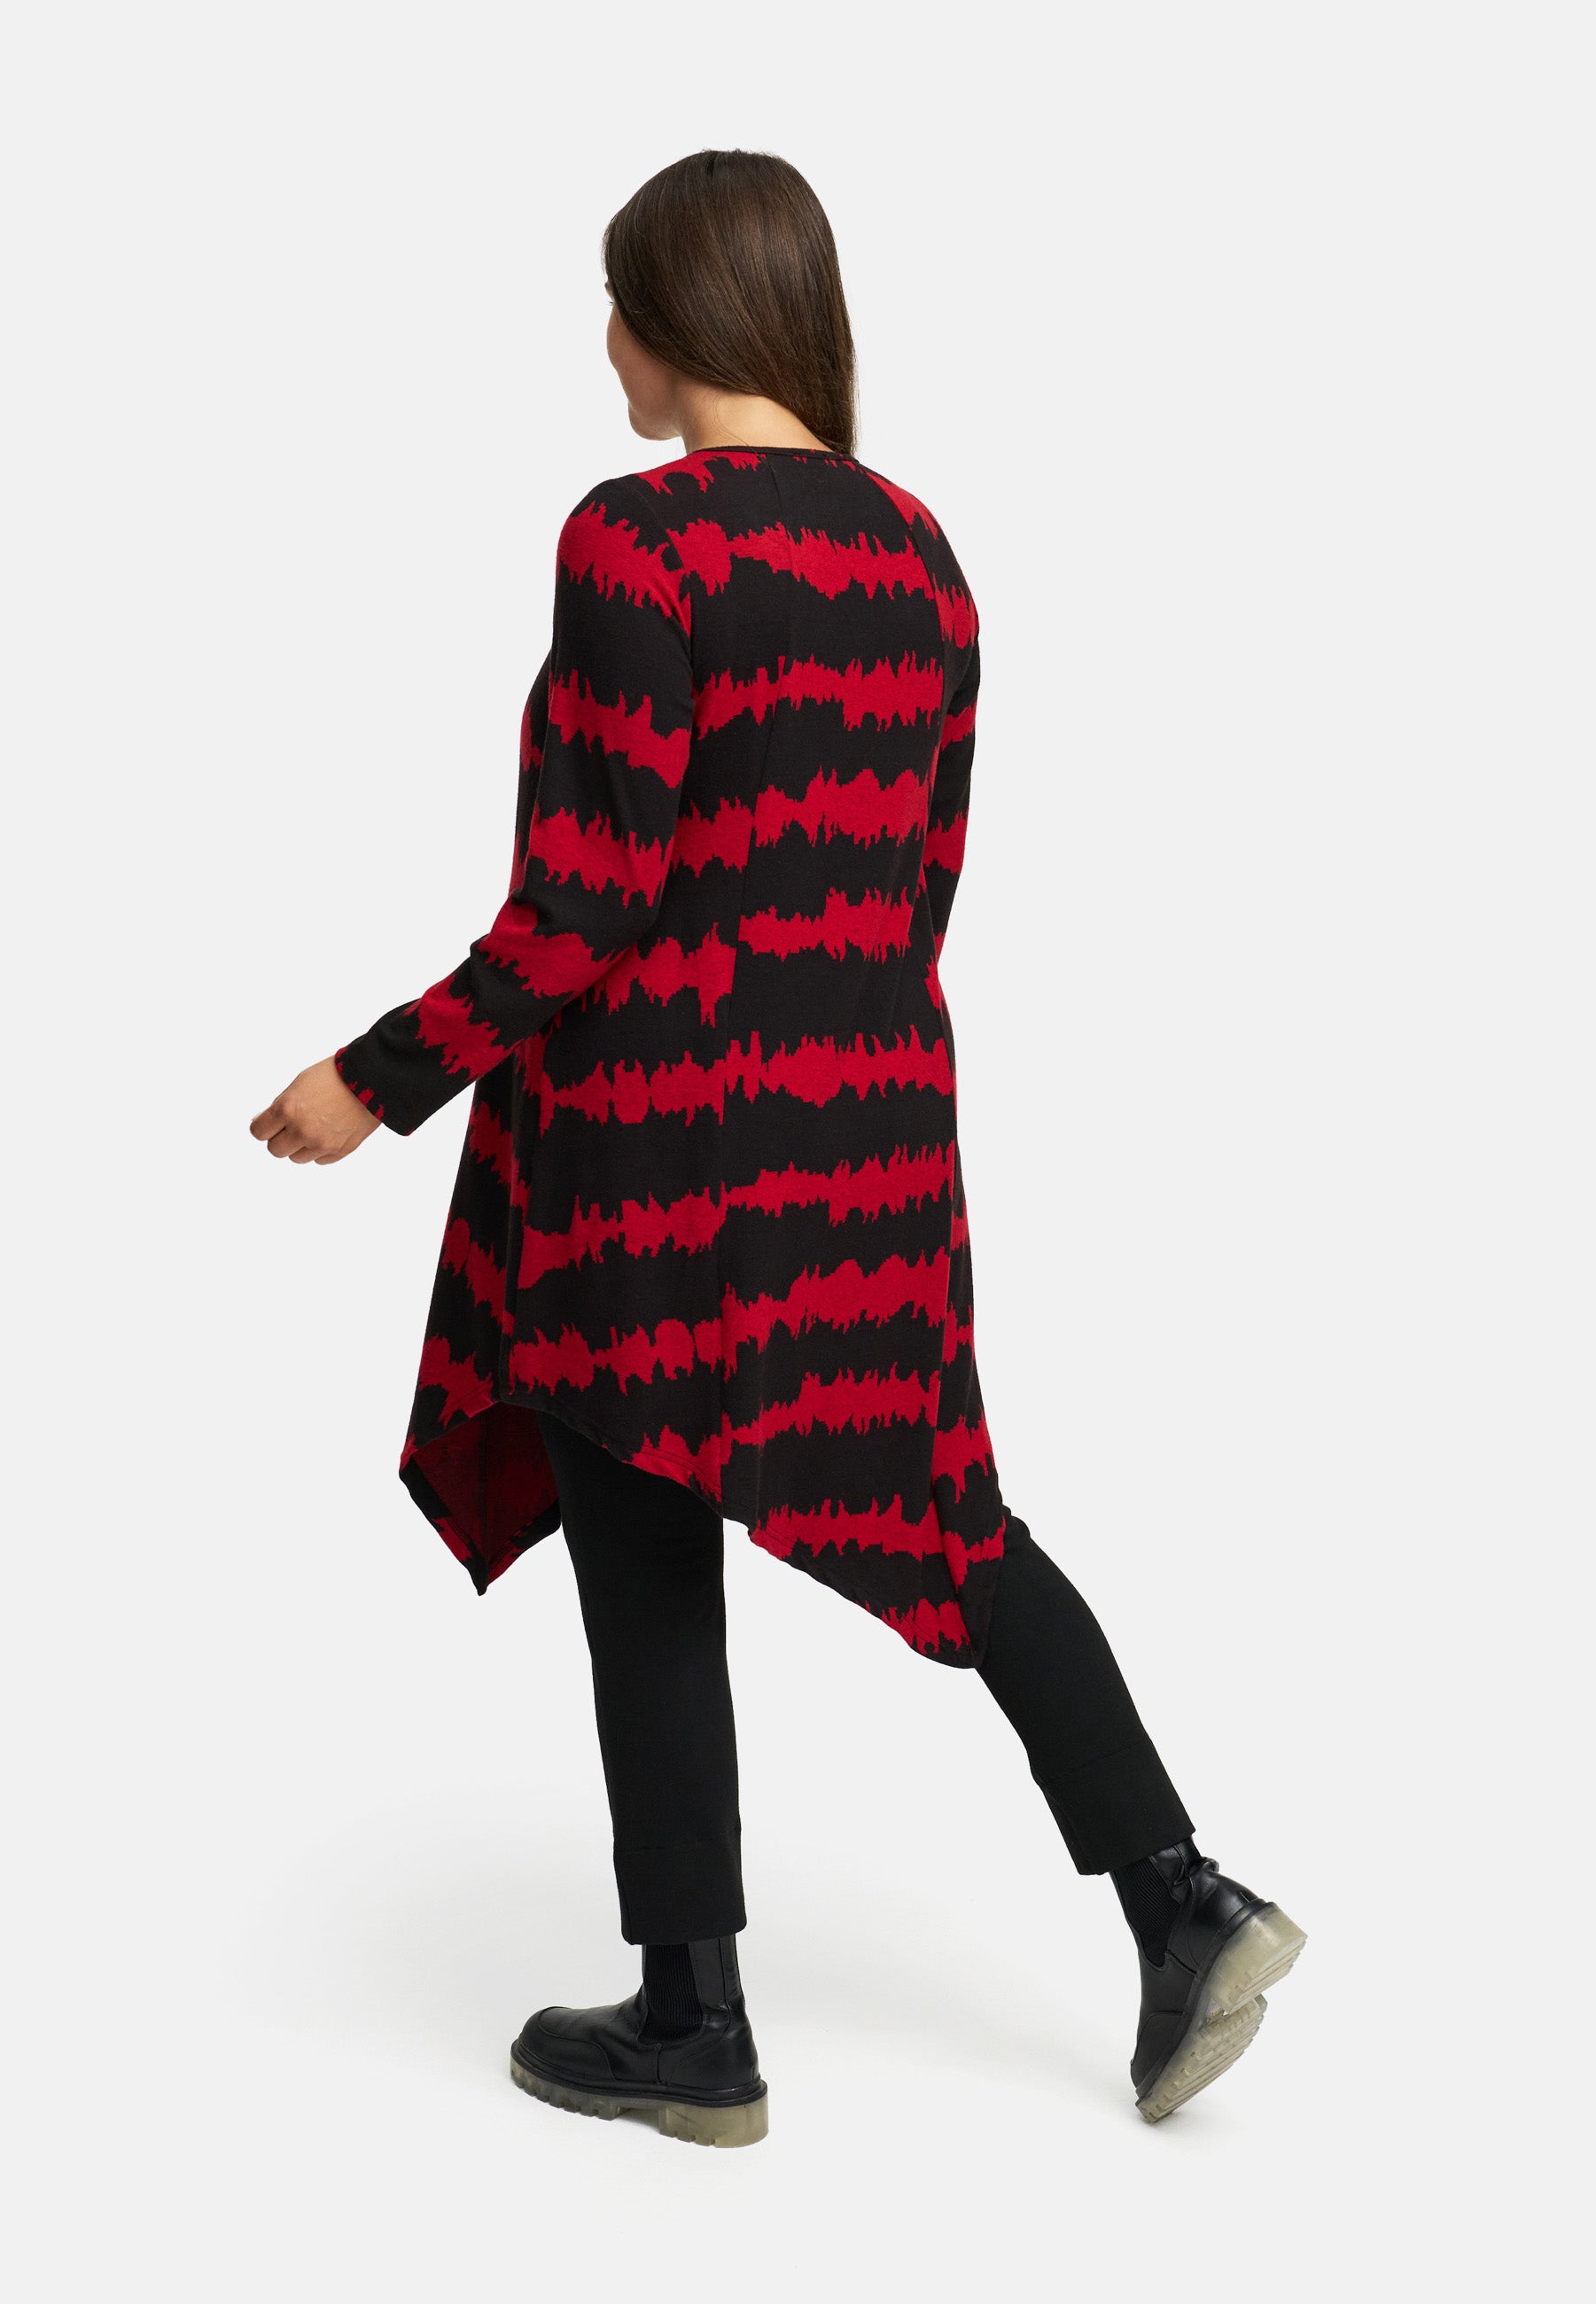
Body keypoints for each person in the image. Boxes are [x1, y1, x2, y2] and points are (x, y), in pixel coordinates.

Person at [250, 148, 1304, 2147]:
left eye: (615, 303)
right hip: (871, 1130)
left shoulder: (635, 541)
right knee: (956, 1518)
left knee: (645, 1538)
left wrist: (375, 1078)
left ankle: (695, 2021)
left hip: (652, 1142)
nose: (605, 345)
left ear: (673, 314)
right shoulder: (921, 555)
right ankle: (1183, 1898)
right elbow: (917, 886)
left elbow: (585, 895)